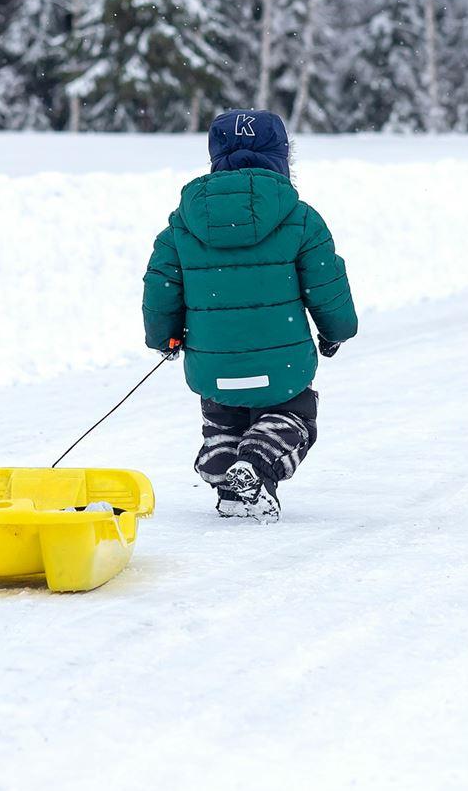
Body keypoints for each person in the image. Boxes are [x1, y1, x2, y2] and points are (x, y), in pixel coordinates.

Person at [142, 110, 358, 522]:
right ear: (281, 159)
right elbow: (327, 285)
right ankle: (256, 465)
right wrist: (336, 331)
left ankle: (225, 471)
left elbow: (161, 288)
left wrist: (164, 338)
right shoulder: (300, 218)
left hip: (212, 364)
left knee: (225, 412)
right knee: (294, 417)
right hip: (283, 366)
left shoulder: (182, 224)